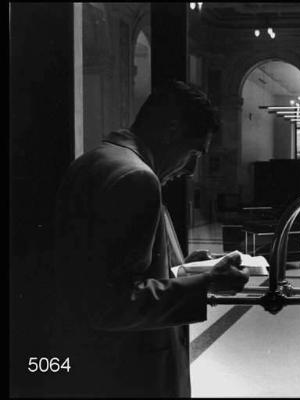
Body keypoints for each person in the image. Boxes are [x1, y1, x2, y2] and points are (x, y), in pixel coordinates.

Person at [50, 80, 250, 397]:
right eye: (194, 152)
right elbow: (111, 305)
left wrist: (181, 270)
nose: (192, 169)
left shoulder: (95, 160)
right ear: (170, 130)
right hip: (132, 373)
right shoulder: (137, 177)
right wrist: (207, 284)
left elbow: (101, 273)